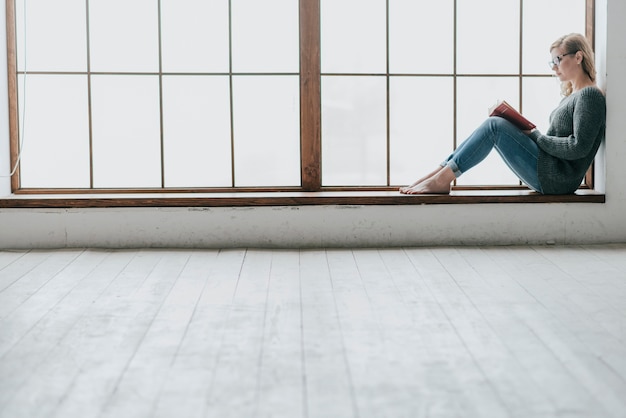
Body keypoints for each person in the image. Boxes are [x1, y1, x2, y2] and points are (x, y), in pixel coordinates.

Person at [399, 33, 606, 195]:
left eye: (557, 60)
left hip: (557, 177)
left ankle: (442, 178)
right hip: (549, 168)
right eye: (551, 62)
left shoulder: (589, 95)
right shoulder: (572, 96)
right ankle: (439, 173)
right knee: (495, 123)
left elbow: (579, 147)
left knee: (495, 126)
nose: (554, 67)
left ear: (578, 57)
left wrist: (535, 135)